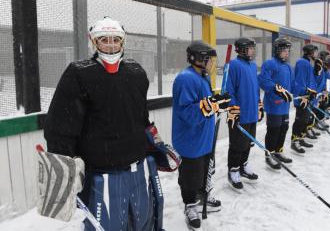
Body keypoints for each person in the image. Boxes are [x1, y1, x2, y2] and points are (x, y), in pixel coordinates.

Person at [44, 17, 174, 231]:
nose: (111, 45)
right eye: (104, 39)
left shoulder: (136, 72)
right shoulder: (78, 74)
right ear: (93, 42)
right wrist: (65, 165)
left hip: (139, 168)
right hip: (102, 174)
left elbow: (141, 117)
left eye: (116, 39)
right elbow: (61, 126)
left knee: (144, 221)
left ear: (123, 42)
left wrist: (155, 143)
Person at [172, 41, 231, 230]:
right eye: (208, 59)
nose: (211, 63)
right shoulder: (186, 79)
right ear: (196, 59)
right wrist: (212, 105)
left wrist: (216, 103)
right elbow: (188, 113)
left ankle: (203, 195)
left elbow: (206, 104)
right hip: (190, 140)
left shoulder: (202, 77)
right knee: (191, 176)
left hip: (203, 138)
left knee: (205, 171)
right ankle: (190, 205)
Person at [226, 37, 262, 190]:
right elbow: (228, 90)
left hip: (251, 113)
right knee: (237, 144)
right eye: (250, 48)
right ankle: (233, 170)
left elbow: (255, 89)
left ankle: (243, 166)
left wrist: (259, 105)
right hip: (238, 114)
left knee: (248, 143)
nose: (253, 51)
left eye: (254, 48)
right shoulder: (233, 65)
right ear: (241, 49)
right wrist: (234, 109)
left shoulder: (253, 66)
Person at [258, 38, 294, 170]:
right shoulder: (270, 64)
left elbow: (292, 84)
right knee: (274, 130)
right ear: (277, 50)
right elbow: (263, 81)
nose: (286, 53)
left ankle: (278, 151)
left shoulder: (288, 66)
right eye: (284, 51)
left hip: (285, 106)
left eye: (288, 51)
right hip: (274, 104)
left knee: (284, 128)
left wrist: (305, 92)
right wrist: (277, 89)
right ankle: (269, 154)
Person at [290, 44, 318, 155]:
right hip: (302, 98)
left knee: (305, 120)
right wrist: (304, 94)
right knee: (300, 120)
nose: (316, 54)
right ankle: (294, 141)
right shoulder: (302, 62)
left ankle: (301, 138)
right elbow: (300, 81)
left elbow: (310, 80)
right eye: (315, 52)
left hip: (308, 97)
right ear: (309, 52)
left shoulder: (308, 63)